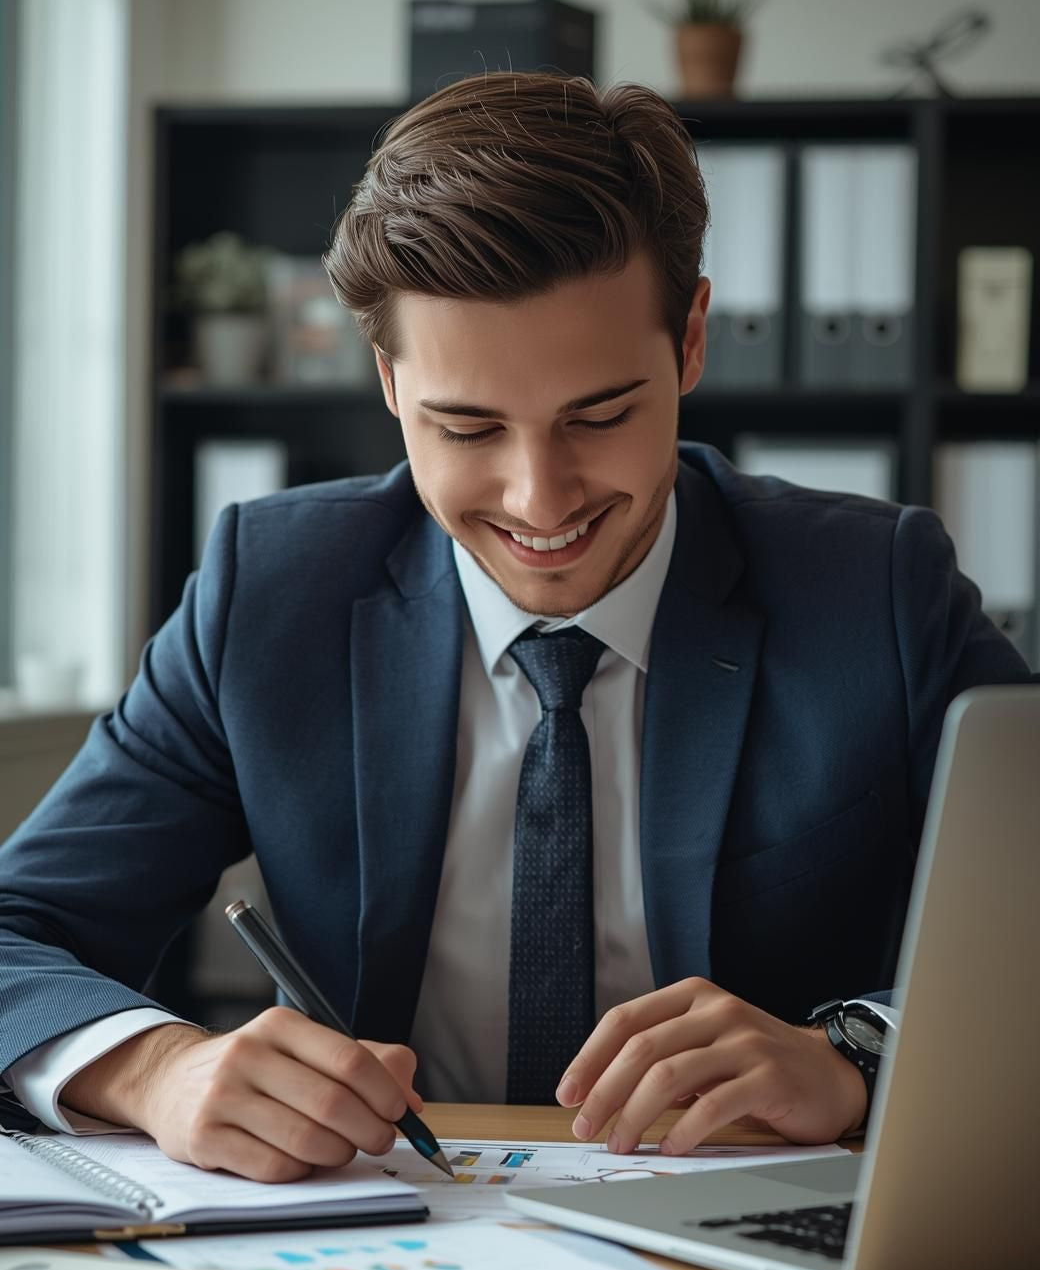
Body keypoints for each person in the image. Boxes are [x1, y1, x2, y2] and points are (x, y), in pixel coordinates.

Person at [0, 73, 1031, 1184]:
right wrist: (157, 1069)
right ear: (390, 383)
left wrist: (854, 1053)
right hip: (395, 1241)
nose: (540, 500)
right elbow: (19, 928)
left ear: (688, 343)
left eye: (599, 415)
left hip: (763, 1234)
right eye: (467, 426)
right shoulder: (271, 588)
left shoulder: (875, 586)